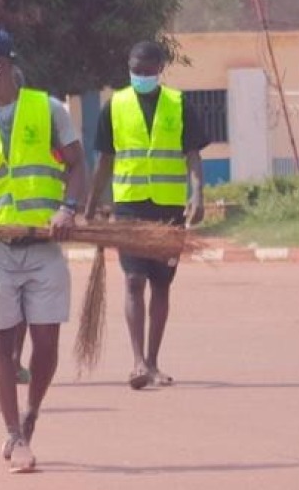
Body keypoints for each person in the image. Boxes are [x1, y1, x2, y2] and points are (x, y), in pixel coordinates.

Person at [0, 27, 87, 473]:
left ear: (0, 64)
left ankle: (32, 411)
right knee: (0, 341)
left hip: (43, 244)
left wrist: (67, 209)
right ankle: (14, 433)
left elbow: (77, 164)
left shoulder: (49, 109)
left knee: (45, 342)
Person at [86, 40, 208, 390]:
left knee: (161, 284)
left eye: (146, 71)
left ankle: (153, 361)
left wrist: (197, 194)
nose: (140, 76)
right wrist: (91, 205)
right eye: (134, 70)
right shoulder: (115, 105)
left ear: (160, 69)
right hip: (130, 206)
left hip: (168, 208)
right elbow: (104, 160)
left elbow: (192, 154)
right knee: (133, 280)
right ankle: (137, 361)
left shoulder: (179, 104)